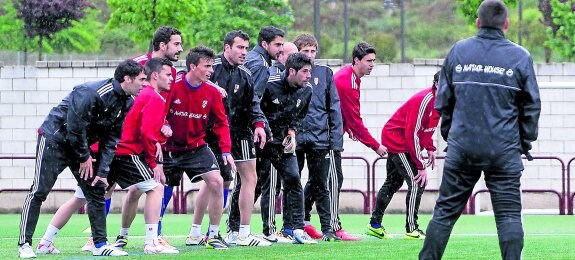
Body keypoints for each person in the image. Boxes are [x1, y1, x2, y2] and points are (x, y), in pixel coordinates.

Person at [419, 1, 540, 259]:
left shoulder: (459, 51)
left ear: (478, 22)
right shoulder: (520, 57)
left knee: (444, 213)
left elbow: (443, 102)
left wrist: (452, 136)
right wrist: (524, 142)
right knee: (508, 216)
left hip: (462, 148)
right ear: (506, 24)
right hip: (504, 150)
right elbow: (531, 107)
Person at [35, 58, 179, 256]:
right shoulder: (151, 96)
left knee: (83, 197)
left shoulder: (132, 95)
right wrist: (156, 158)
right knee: (155, 187)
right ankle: (151, 241)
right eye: (168, 74)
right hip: (123, 152)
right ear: (155, 75)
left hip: (101, 152)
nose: (172, 79)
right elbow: (146, 132)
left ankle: (47, 241)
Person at [17, 59, 146, 258]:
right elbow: (75, 129)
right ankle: (24, 245)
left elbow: (111, 139)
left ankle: (100, 245)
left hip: (79, 146)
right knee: (39, 191)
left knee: (96, 189)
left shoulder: (127, 102)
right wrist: (84, 156)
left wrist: (102, 172)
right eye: (142, 79)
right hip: (55, 139)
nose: (145, 84)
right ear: (127, 79)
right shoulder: (90, 93)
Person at [190, 30, 270, 247]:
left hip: (241, 131)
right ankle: (195, 232)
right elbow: (186, 78)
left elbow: (253, 103)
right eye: (239, 47)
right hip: (213, 133)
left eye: (246, 47)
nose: (244, 52)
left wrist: (259, 125)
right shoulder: (210, 67)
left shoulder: (245, 73)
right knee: (215, 181)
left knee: (249, 178)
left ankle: (242, 233)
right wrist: (211, 86)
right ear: (226, 47)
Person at [113, 25, 183, 251]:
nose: (180, 48)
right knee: (152, 185)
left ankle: (146, 236)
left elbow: (161, 107)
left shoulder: (169, 74)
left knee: (141, 187)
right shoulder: (139, 66)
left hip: (140, 140)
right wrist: (153, 149)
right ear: (163, 45)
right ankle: (148, 240)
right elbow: (123, 94)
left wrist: (160, 128)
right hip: (128, 142)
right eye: (177, 44)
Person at [164, 46, 236, 250]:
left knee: (217, 182)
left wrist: (225, 150)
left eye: (212, 66)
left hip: (196, 146)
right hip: (170, 147)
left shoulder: (212, 91)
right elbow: (160, 112)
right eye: (207, 66)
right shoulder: (173, 86)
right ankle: (155, 235)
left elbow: (222, 123)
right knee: (161, 189)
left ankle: (213, 235)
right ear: (193, 66)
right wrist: (164, 125)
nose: (211, 70)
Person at [366, 71, 440, 241]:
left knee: (393, 182)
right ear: (436, 84)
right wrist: (420, 166)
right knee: (417, 183)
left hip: (402, 141)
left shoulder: (442, 102)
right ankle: (412, 229)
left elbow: (427, 128)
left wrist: (429, 147)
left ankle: (374, 225)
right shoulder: (426, 100)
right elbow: (413, 134)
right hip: (398, 141)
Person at [227, 25, 284, 241]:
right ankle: (236, 230)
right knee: (248, 180)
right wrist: (260, 126)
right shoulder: (259, 65)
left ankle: (233, 230)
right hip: (243, 130)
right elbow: (254, 99)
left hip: (240, 128)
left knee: (241, 180)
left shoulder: (254, 62)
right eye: (277, 45)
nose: (280, 50)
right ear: (265, 44)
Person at [258, 52, 316, 245]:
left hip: (283, 144)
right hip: (262, 142)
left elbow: (299, 117)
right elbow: (255, 109)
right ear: (291, 71)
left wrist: (292, 131)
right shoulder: (269, 84)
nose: (309, 76)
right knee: (255, 185)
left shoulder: (306, 90)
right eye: (305, 72)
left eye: (310, 71)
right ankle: (236, 229)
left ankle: (298, 229)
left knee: (294, 179)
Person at [333, 42, 387, 241]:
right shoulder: (349, 81)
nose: (372, 64)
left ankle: (302, 221)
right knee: (333, 180)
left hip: (330, 134)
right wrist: (376, 146)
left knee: (322, 181)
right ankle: (332, 227)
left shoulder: (350, 76)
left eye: (374, 61)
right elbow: (355, 119)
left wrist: (347, 128)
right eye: (369, 61)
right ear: (356, 60)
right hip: (327, 137)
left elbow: (346, 114)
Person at [292, 34, 343, 242]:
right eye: (306, 51)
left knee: (321, 184)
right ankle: (294, 227)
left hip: (320, 139)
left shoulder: (325, 73)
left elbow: (334, 108)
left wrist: (335, 141)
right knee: (293, 183)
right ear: (297, 52)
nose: (311, 55)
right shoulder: (291, 73)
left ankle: (328, 229)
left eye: (313, 51)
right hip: (295, 138)